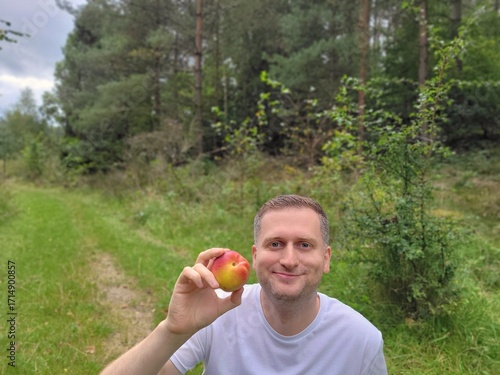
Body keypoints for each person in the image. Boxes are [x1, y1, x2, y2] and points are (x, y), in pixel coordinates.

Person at [101, 195, 388, 375]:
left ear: (325, 258)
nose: (289, 259)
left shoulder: (361, 340)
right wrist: (172, 330)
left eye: (304, 245)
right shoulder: (219, 313)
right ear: (255, 255)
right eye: (275, 244)